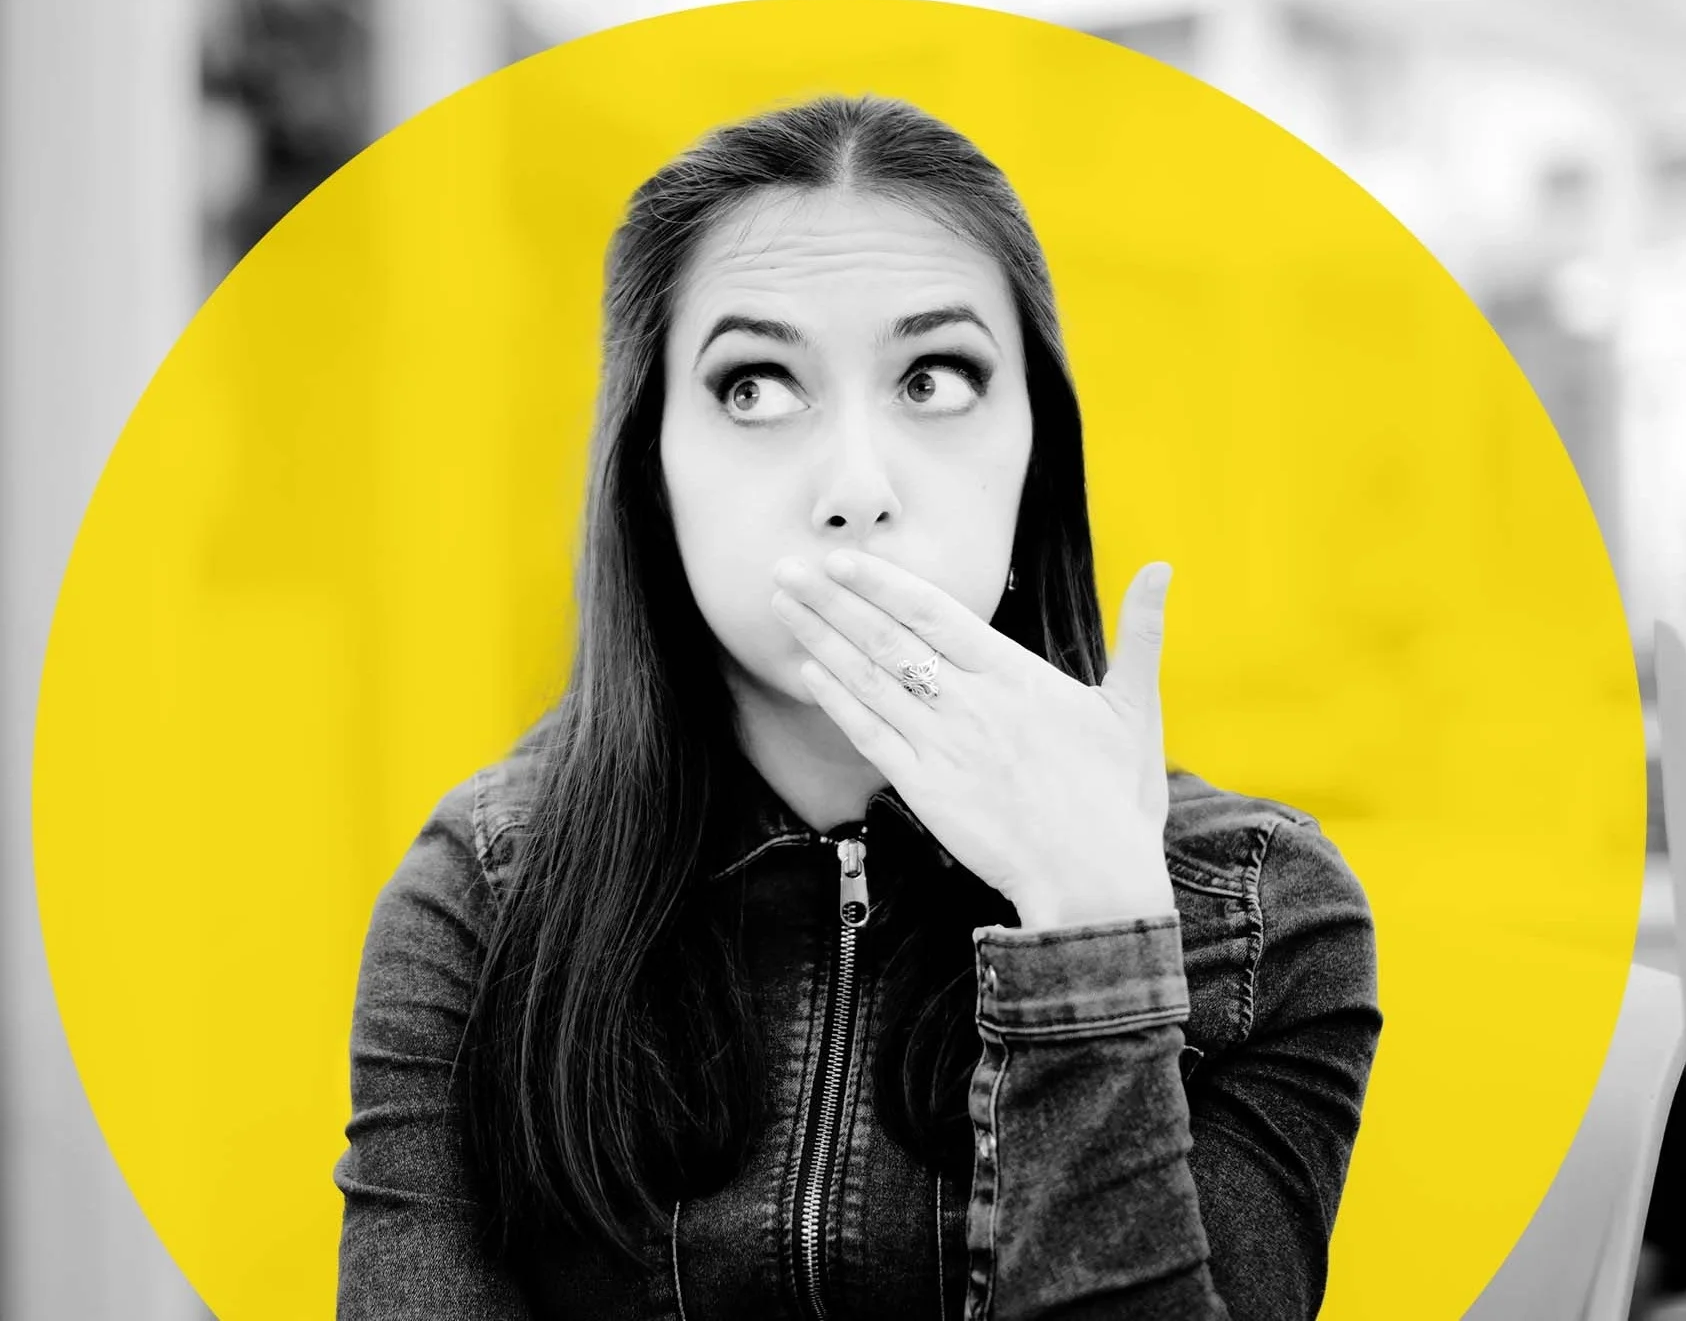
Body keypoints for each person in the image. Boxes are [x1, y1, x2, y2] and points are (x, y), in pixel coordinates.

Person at [333, 93, 1381, 1321]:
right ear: (648, 472)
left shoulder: (1264, 919)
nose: (856, 489)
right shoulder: (481, 898)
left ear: (1037, 454)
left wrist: (1095, 938)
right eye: (755, 388)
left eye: (934, 377)